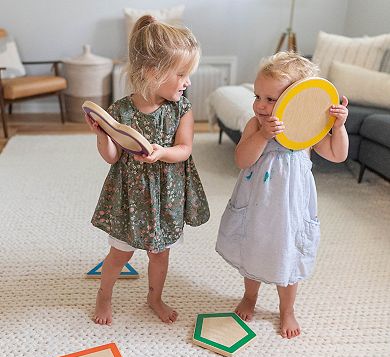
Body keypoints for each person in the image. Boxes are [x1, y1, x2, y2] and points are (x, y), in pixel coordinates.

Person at [85, 15, 210, 325]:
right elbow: (112, 157)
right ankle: (104, 295)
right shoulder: (121, 110)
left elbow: (184, 149)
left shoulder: (181, 108)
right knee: (120, 254)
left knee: (160, 254)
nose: (188, 82)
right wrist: (103, 135)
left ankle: (154, 297)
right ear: (153, 73)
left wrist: (162, 153)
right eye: (182, 74)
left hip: (165, 194)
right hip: (130, 197)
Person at [216, 51, 349, 338]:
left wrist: (338, 128)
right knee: (253, 249)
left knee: (288, 256)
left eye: (270, 99)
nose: (260, 105)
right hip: (257, 206)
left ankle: (286, 309)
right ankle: (250, 297)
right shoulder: (255, 126)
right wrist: (263, 135)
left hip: (290, 211)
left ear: (295, 102)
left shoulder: (308, 134)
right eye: (257, 96)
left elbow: (338, 154)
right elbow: (242, 160)